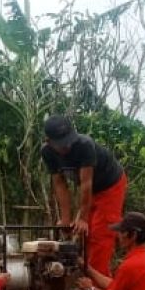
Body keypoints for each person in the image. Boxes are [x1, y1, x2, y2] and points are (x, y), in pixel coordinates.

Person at [41, 114, 127, 277]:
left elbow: (86, 184)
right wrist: (66, 219)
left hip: (110, 186)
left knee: (100, 234)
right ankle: (88, 279)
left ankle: (97, 286)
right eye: (61, 143)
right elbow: (60, 184)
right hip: (89, 190)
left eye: (68, 141)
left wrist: (82, 218)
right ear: (49, 141)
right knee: (81, 233)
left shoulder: (84, 145)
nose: (66, 146)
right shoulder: (47, 153)